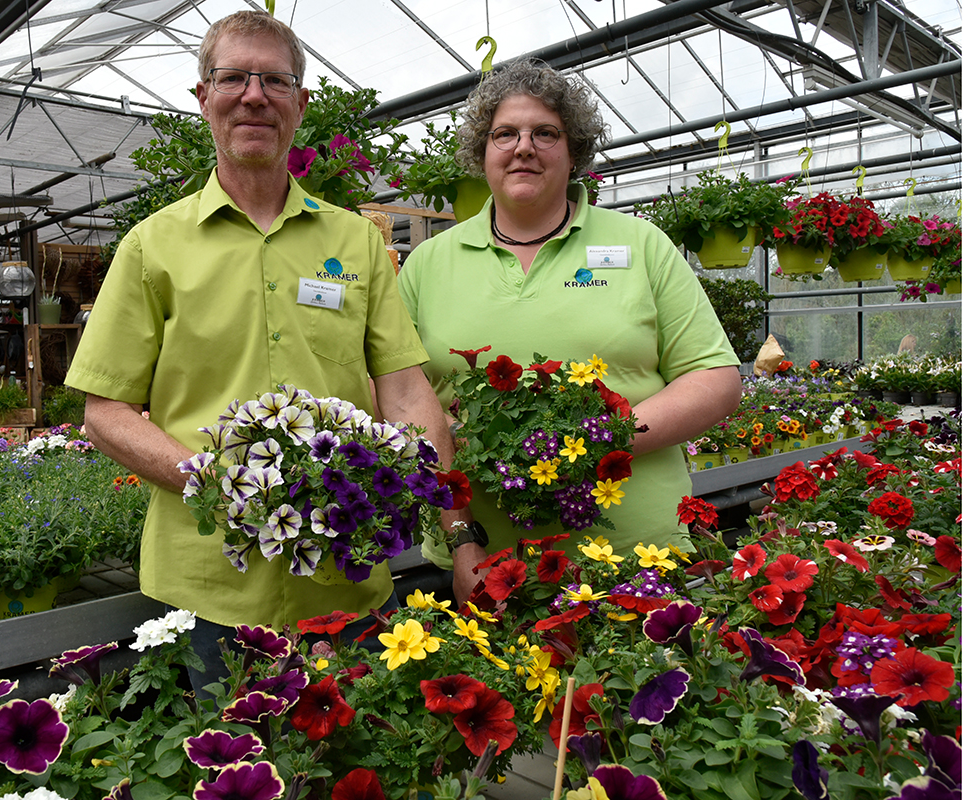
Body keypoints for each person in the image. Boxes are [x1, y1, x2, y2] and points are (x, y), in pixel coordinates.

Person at [65, 11, 457, 662]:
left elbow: (406, 389)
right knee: (232, 760)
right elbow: (104, 413)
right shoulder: (151, 247)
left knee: (361, 760)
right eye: (233, 77)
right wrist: (212, 480)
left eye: (275, 81)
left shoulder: (356, 241)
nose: (254, 95)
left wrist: (419, 494)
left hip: (345, 578)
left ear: (301, 105)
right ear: (203, 98)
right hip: (210, 583)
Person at [397, 60, 743, 604]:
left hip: (636, 557)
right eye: (504, 134)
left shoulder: (641, 245)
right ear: (481, 152)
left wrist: (599, 440)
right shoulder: (427, 263)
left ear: (574, 151)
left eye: (545, 133)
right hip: (489, 562)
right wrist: (462, 542)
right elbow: (404, 400)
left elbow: (716, 378)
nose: (523, 147)